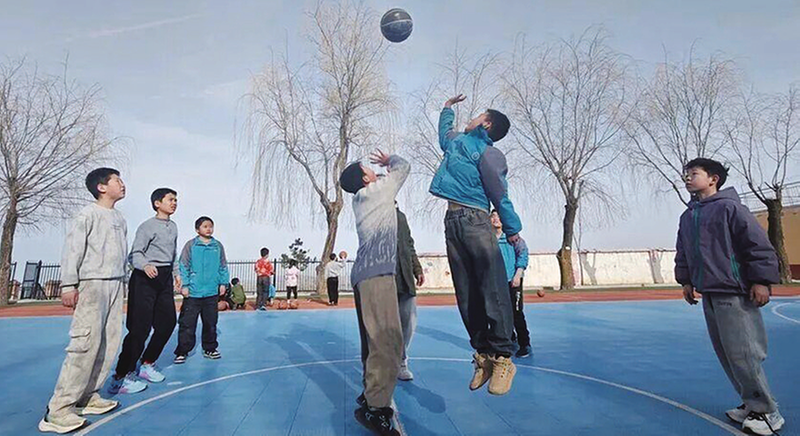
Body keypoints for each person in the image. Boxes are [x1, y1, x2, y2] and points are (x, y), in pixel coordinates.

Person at [676, 158, 784, 435]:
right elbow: (684, 252)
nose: (687, 178)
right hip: (709, 291)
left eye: (694, 173)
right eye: (686, 174)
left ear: (713, 179)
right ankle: (751, 403)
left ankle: (768, 412)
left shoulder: (730, 208)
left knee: (744, 353)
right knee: (726, 353)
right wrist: (686, 281)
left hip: (735, 292)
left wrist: (761, 281)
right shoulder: (688, 216)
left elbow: (757, 246)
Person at [428, 94, 519, 396]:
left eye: (478, 115)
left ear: (487, 123)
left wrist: (512, 229)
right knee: (466, 293)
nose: (472, 117)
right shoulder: (457, 143)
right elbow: (444, 134)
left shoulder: (489, 154)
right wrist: (447, 109)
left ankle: (503, 357)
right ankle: (483, 355)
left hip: (476, 220)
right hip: (452, 221)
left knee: (492, 289)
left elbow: (500, 194)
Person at [39, 168, 128, 434]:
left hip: (115, 284)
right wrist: (69, 284)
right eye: (117, 181)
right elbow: (73, 249)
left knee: (109, 343)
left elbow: (121, 255)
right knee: (85, 344)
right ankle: (58, 410)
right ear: (102, 187)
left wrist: (123, 284)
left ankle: (88, 396)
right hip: (92, 284)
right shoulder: (87, 215)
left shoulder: (119, 218)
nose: (122, 184)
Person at [340, 150, 410, 435]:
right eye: (368, 167)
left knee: (373, 342)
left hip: (365, 276)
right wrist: (388, 160)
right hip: (377, 275)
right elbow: (403, 168)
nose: (373, 169)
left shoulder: (361, 198)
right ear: (365, 178)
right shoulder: (376, 192)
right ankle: (376, 409)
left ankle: (370, 393)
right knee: (388, 341)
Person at [111, 188, 179, 395]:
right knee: (140, 328)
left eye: (176, 200)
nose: (174, 203)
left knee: (168, 323)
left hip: (164, 277)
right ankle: (121, 377)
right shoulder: (147, 226)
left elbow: (173, 254)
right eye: (170, 199)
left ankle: (147, 363)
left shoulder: (173, 226)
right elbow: (135, 254)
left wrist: (176, 273)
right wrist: (145, 265)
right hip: (145, 278)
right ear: (157, 203)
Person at [174, 216, 230, 364]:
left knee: (211, 323)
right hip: (193, 292)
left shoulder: (217, 246)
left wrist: (223, 283)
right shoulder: (190, 245)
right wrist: (185, 285)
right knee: (187, 324)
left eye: (210, 226)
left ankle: (210, 348)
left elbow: (223, 266)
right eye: (205, 226)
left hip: (211, 292)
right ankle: (182, 351)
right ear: (197, 229)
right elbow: (183, 265)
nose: (208, 229)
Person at [490, 210, 531, 358]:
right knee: (500, 314)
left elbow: (523, 254)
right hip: (496, 282)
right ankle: (509, 338)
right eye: (493, 216)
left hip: (513, 280)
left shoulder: (512, 237)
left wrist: (518, 274)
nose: (496, 219)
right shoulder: (488, 240)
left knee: (516, 312)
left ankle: (524, 344)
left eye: (499, 216)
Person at [395, 203, 425, 382]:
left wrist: (417, 269)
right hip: (383, 280)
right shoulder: (372, 213)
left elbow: (409, 244)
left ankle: (401, 360)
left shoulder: (401, 217)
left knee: (409, 322)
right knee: (384, 326)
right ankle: (384, 363)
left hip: (405, 278)